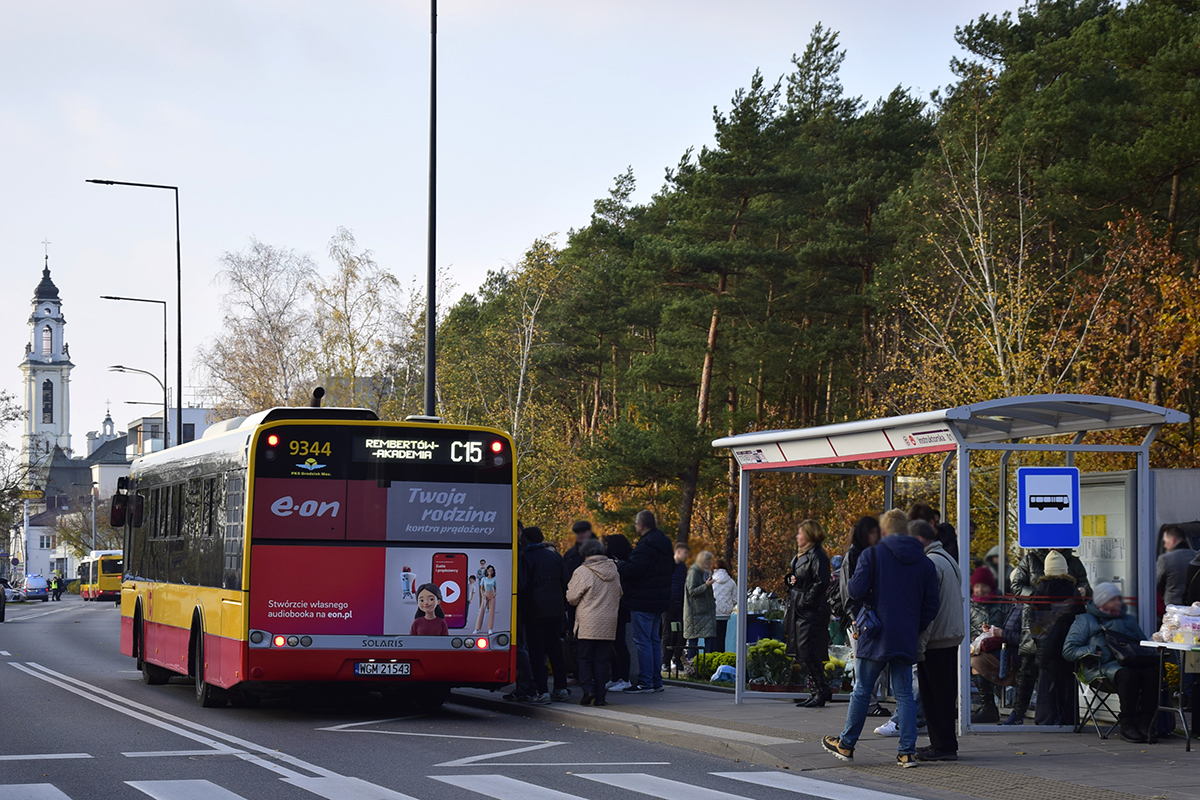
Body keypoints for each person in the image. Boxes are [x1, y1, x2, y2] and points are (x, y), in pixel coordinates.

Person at [822, 508, 939, 768]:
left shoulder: (872, 555)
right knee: (905, 694)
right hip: (905, 635)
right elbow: (932, 605)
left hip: (874, 635)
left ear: (884, 531)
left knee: (862, 690)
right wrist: (913, 625)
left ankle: (846, 744)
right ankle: (906, 752)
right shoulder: (924, 562)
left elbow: (854, 589)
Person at [1063, 581, 1159, 743]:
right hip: (1100, 667)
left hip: (1130, 662)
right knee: (1127, 675)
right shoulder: (1086, 620)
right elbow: (1068, 650)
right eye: (1113, 599)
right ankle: (1127, 723)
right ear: (1102, 601)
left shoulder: (1127, 619)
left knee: (1152, 673)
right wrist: (1091, 650)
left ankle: (1145, 722)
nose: (1118, 602)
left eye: (1118, 599)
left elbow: (1142, 642)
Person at [1002, 550, 1082, 725]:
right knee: (1043, 675)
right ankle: (1064, 717)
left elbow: (1032, 613)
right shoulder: (1031, 560)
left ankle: (1040, 716)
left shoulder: (1040, 590)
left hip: (1039, 637)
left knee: (1036, 673)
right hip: (1063, 641)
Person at [911, 520, 964, 761]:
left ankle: (942, 746)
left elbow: (928, 607)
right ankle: (943, 743)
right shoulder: (948, 559)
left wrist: (919, 644)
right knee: (943, 694)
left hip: (936, 638)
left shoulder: (931, 563)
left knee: (934, 696)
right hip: (950, 635)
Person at [618, 510, 675, 694]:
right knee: (653, 641)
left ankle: (645, 682)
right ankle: (656, 680)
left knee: (642, 641)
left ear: (641, 525)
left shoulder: (645, 546)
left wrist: (619, 564)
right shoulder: (665, 545)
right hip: (659, 601)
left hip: (642, 600)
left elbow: (633, 570)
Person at [566, 538, 622, 706]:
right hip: (609, 621)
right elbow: (619, 593)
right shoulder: (614, 570)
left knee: (584, 658)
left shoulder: (582, 571)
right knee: (602, 661)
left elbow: (572, 598)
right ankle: (600, 696)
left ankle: (587, 689)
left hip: (588, 622)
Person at [519, 526, 569, 704]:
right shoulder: (554, 556)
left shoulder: (526, 558)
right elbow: (565, 580)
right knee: (555, 649)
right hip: (555, 609)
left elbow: (522, 586)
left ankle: (542, 691)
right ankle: (561, 688)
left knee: (537, 652)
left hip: (534, 610)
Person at [786, 519, 832, 707]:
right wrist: (790, 580)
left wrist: (806, 602)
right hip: (800, 607)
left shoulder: (818, 555)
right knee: (804, 652)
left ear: (809, 535)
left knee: (809, 651)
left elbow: (822, 582)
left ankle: (820, 690)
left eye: (800, 533)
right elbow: (795, 576)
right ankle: (819, 690)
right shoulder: (801, 555)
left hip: (810, 610)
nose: (797, 536)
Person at [968, 566, 1009, 723]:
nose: (980, 590)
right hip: (974, 647)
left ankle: (988, 707)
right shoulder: (969, 604)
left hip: (997, 648)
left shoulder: (1000, 603)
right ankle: (985, 705)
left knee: (976, 663)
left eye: (984, 586)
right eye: (977, 586)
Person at [562, 521, 598, 683]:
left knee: (587, 643)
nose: (580, 535)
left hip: (589, 602)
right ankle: (580, 672)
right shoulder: (572, 554)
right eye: (578, 533)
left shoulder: (594, 554)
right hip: (576, 603)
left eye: (583, 532)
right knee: (577, 641)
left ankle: (585, 675)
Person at [604, 533, 635, 691]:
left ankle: (623, 677)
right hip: (618, 606)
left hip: (618, 606)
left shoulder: (621, 564)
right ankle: (616, 676)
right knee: (614, 643)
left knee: (619, 643)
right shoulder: (626, 561)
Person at [1012, 548, 1090, 598]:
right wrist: (1036, 596)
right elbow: (1016, 587)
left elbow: (1085, 586)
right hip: (1035, 614)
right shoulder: (1030, 560)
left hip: (1066, 614)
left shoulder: (1074, 562)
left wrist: (1084, 591)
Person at [683, 550, 718, 658]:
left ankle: (707, 662)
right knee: (693, 640)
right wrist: (706, 586)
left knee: (710, 637)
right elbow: (692, 591)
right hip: (696, 612)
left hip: (705, 611)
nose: (710, 562)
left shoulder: (704, 572)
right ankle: (692, 664)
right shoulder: (694, 573)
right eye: (708, 560)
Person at [662, 542, 690, 672]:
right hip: (669, 603)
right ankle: (665, 661)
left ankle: (677, 657)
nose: (687, 556)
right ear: (678, 552)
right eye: (685, 553)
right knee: (668, 633)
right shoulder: (668, 565)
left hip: (681, 602)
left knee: (682, 633)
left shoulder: (683, 567)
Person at [1157, 525, 1193, 607]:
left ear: (1172, 540)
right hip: (1194, 609)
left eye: (1166, 542)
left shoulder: (1165, 559)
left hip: (1173, 609)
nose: (1165, 546)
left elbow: (1157, 584)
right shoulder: (1195, 556)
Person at [711, 558, 737, 650]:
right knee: (722, 638)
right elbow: (735, 599)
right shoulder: (731, 582)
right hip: (725, 613)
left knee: (712, 639)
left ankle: (713, 657)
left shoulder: (711, 581)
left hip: (713, 612)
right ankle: (721, 657)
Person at [473, 566, 498, 634]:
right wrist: (482, 594)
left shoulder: (494, 579)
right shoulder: (484, 579)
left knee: (492, 612)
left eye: (491, 570)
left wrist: (495, 593)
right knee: (482, 610)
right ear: (487, 571)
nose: (490, 571)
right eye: (489, 570)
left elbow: (495, 588)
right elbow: (481, 588)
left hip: (492, 595)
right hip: (486, 594)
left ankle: (490, 628)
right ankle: (477, 628)